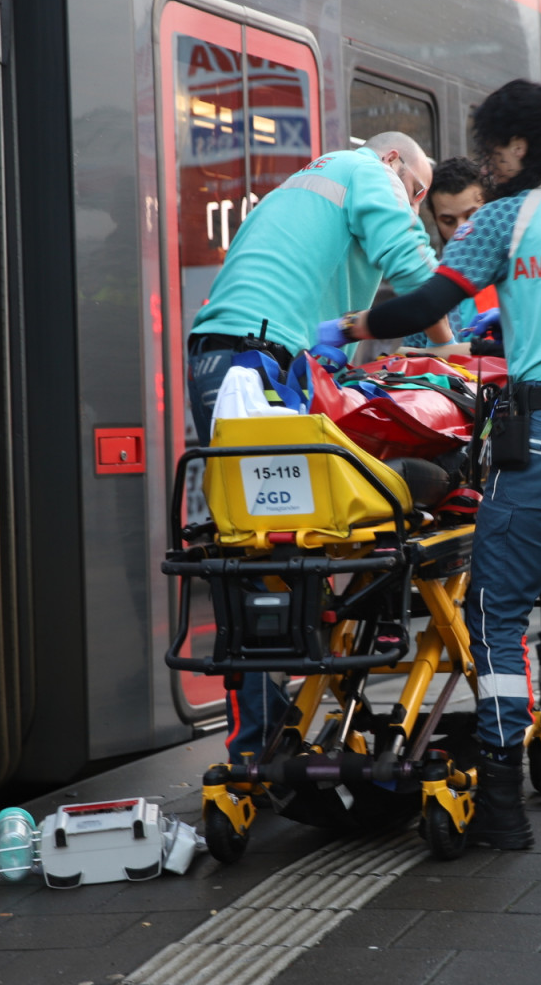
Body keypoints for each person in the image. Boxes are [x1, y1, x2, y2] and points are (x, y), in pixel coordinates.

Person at [328, 80, 541, 854]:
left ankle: (504, 807)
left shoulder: (508, 219)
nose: (489, 161)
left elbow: (420, 307)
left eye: (492, 147)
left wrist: (348, 325)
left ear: (515, 145)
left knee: (497, 616)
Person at [186, 130, 448, 765]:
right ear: (393, 162)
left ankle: (265, 738)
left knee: (258, 557)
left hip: (219, 364)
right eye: (416, 192)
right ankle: (267, 741)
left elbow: (329, 309)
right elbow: (413, 262)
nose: (412, 206)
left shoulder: (304, 185)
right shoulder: (368, 172)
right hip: (259, 372)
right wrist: (452, 346)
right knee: (287, 555)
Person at [426, 158, 541, 761]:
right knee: (494, 592)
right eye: (447, 220)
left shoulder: (521, 249)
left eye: (471, 214)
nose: (459, 228)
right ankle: (505, 720)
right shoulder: (446, 275)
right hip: (481, 445)